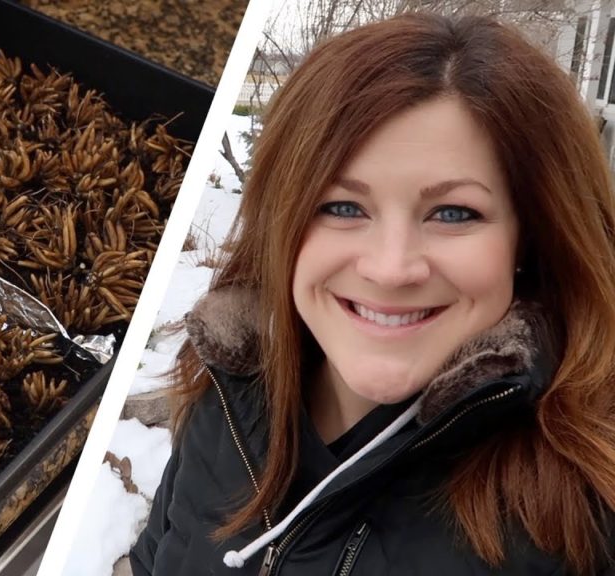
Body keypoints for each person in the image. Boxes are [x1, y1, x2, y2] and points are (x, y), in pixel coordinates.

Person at [130, 12, 615, 576]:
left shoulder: (590, 504)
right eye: (342, 207)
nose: (390, 269)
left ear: (529, 237)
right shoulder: (226, 395)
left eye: (453, 213)